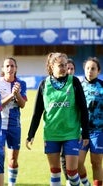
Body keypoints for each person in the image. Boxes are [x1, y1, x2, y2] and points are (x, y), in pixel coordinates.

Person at [26, 52, 89, 185]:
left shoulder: (74, 82)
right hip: (51, 134)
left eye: (66, 65)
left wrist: (85, 133)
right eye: (60, 65)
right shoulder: (44, 84)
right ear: (51, 66)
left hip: (71, 133)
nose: (64, 68)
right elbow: (37, 112)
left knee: (72, 172)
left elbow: (83, 109)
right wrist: (31, 134)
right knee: (55, 171)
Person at [0, 57, 27, 186]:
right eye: (7, 66)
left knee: (13, 159)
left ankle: (11, 184)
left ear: (16, 68)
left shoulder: (21, 83)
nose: (10, 68)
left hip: (14, 125)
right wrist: (11, 95)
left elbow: (22, 105)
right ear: (3, 68)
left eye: (12, 66)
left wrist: (17, 94)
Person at [78, 57, 103, 186]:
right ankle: (86, 183)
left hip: (99, 132)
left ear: (98, 71)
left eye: (93, 68)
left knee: (96, 163)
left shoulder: (102, 87)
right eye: (87, 68)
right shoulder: (79, 86)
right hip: (82, 132)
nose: (90, 71)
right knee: (78, 162)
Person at [61, 57, 76, 186]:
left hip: (75, 130)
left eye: (71, 68)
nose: (69, 70)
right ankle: (68, 181)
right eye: (68, 68)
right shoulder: (56, 85)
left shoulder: (77, 85)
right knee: (63, 157)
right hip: (58, 131)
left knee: (79, 163)